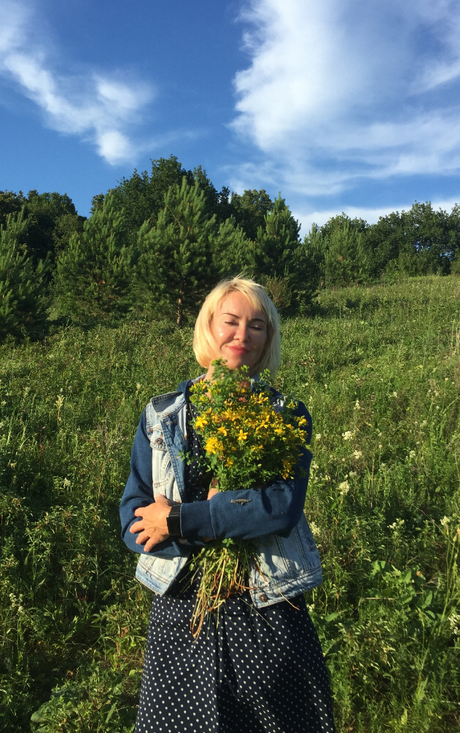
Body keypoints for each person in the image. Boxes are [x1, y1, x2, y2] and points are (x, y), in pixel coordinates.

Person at [119, 277, 336, 733]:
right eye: (231, 321)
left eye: (257, 325)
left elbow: (279, 508)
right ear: (208, 328)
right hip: (182, 611)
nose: (242, 335)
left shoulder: (286, 414)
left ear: (268, 339)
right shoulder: (161, 414)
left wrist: (178, 519)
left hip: (265, 605)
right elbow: (133, 520)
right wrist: (227, 515)